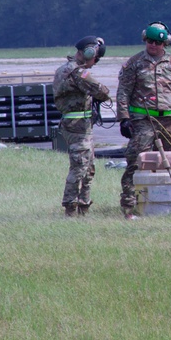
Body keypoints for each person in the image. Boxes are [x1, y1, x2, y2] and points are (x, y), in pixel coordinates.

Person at [116, 22, 171, 219]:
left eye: (158, 42)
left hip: (168, 120)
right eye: (150, 41)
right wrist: (124, 118)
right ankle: (129, 207)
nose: (153, 45)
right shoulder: (134, 63)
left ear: (164, 44)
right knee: (136, 161)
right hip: (143, 120)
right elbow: (123, 91)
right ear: (145, 40)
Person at [53, 35, 110, 217]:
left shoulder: (65, 69)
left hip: (78, 126)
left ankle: (83, 206)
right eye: (96, 57)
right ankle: (71, 207)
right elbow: (100, 91)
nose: (96, 62)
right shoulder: (77, 72)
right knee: (80, 167)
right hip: (78, 127)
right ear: (88, 52)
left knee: (88, 167)